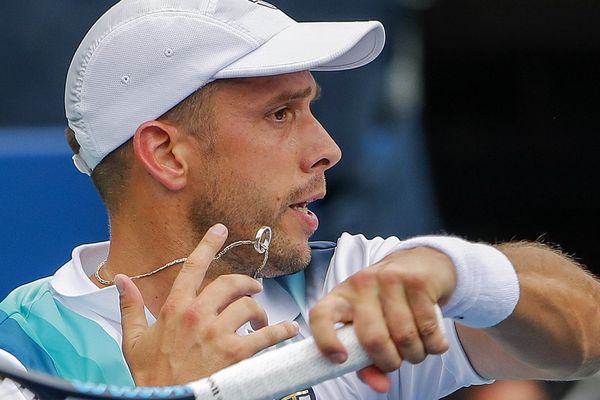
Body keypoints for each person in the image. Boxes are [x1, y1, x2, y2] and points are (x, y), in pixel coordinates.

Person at [1, 0, 600, 399]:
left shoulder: (346, 286)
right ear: (167, 154)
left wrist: (460, 271)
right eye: (280, 114)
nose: (329, 148)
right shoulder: (17, 359)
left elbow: (587, 334)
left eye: (312, 107)